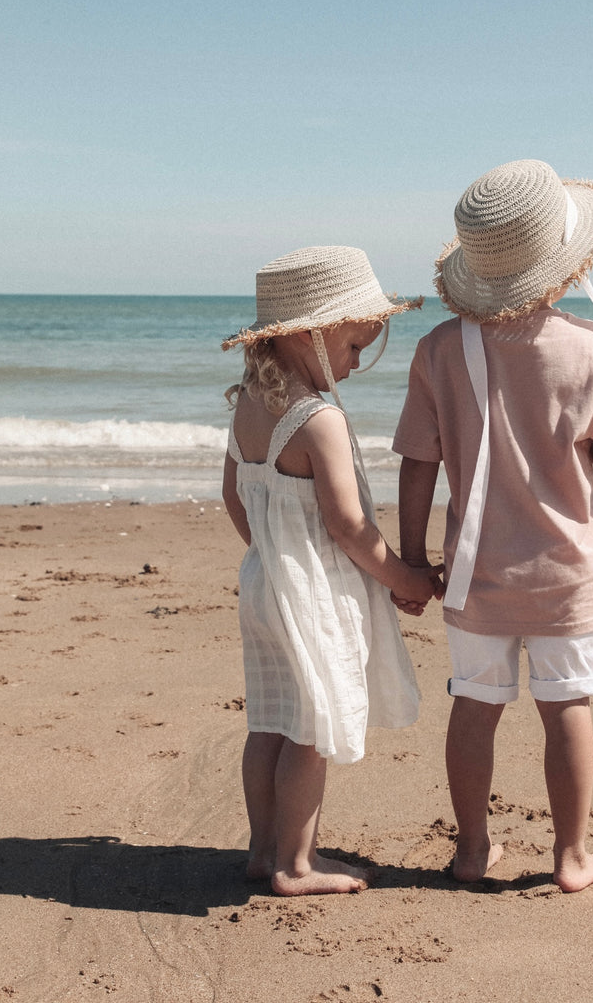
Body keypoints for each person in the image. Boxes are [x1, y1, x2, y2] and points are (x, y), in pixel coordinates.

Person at [392, 159, 593, 893]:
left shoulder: (440, 350)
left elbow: (418, 462)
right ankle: (570, 857)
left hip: (474, 572)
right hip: (564, 573)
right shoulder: (592, 349)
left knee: (474, 705)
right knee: (568, 704)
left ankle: (472, 848)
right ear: (563, 265)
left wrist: (413, 561)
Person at [222, 245, 442, 897]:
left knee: (271, 719)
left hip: (264, 583)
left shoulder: (248, 406)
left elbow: (235, 494)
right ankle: (296, 863)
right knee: (313, 729)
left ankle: (264, 849)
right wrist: (405, 579)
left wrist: (269, 551)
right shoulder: (319, 420)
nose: (355, 363)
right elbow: (348, 526)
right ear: (311, 335)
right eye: (353, 346)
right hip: (314, 593)